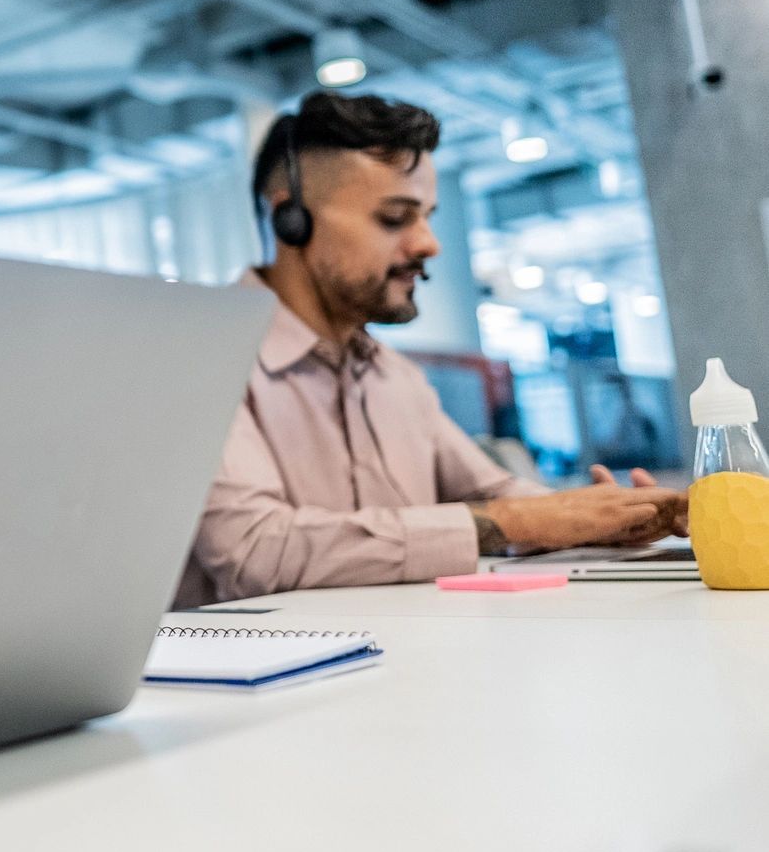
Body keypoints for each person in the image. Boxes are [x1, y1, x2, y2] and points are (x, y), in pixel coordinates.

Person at [178, 92, 686, 608]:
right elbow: (255, 553)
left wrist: (601, 517)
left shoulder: (396, 377)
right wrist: (520, 520)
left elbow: (496, 495)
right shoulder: (196, 360)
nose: (428, 244)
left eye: (426, 217)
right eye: (395, 218)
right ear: (292, 219)